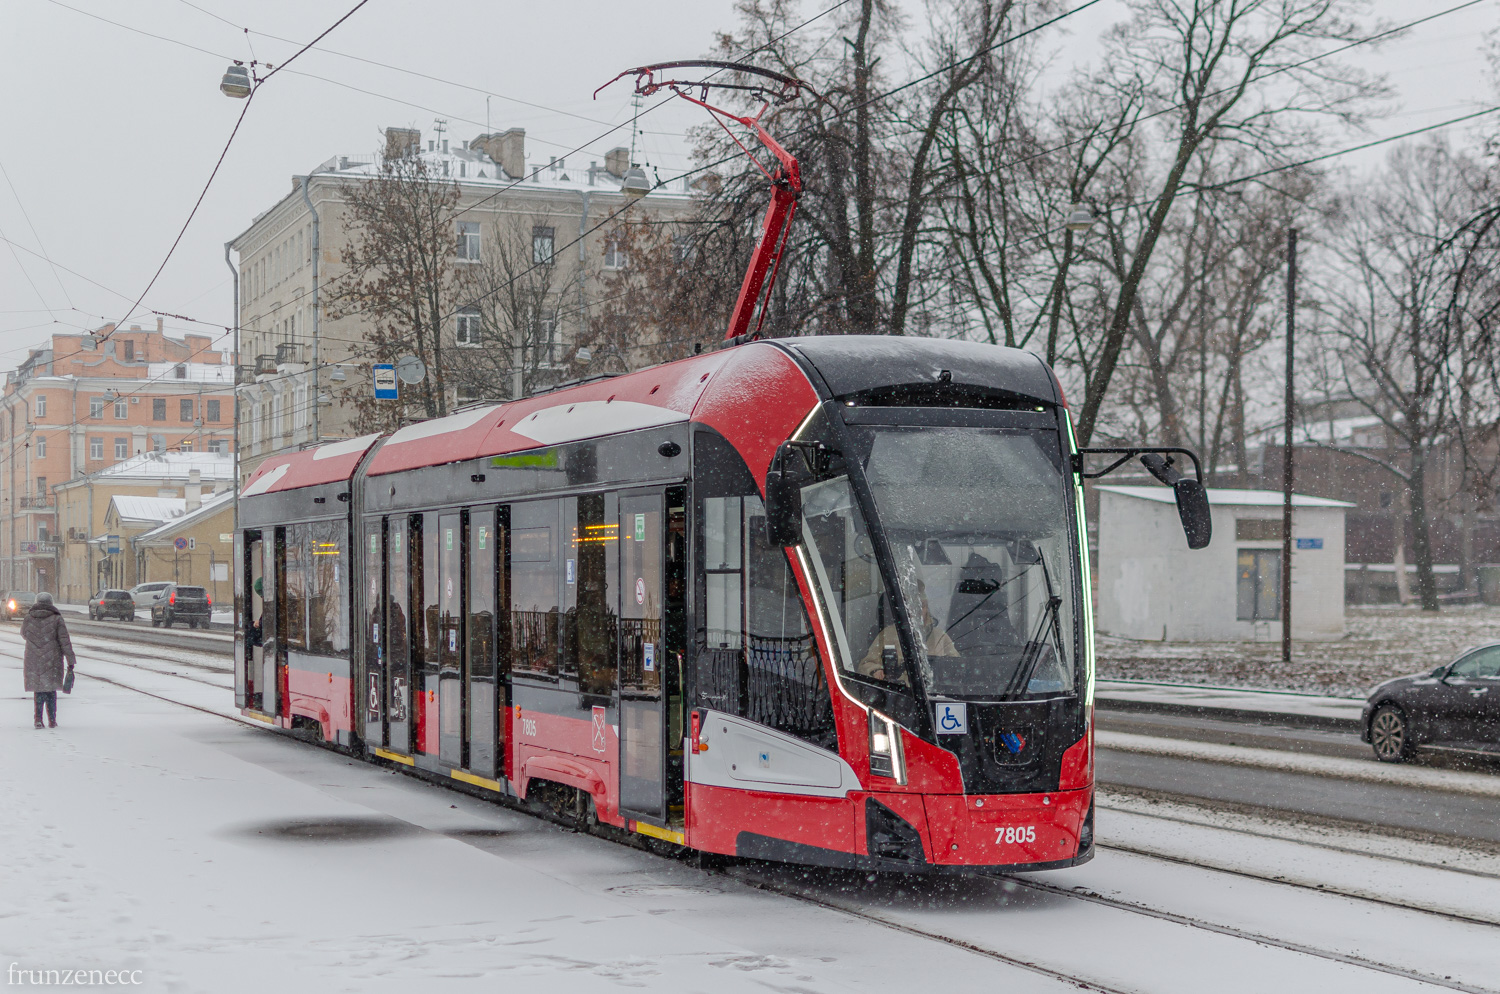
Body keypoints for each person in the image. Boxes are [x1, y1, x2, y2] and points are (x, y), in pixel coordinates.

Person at [858, 581, 957, 682]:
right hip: (898, 692)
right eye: (914, 606)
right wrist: (876, 670)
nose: (918, 611)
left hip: (935, 694)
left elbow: (956, 667)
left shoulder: (940, 636)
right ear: (905, 609)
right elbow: (865, 665)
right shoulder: (888, 634)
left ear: (926, 609)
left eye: (922, 606)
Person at [22, 591, 76, 729]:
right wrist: (70, 660)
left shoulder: (29, 617)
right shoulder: (57, 619)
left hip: (34, 659)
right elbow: (64, 640)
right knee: (50, 690)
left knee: (38, 690)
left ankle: (38, 719)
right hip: (52, 659)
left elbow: (24, 633)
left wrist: (36, 643)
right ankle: (52, 719)